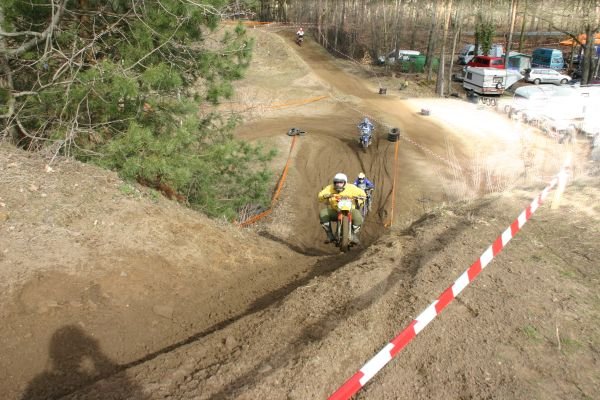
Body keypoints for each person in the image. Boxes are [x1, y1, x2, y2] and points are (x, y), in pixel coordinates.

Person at [317, 173, 366, 244]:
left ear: (345, 182)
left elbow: (362, 194)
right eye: (336, 182)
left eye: (341, 182)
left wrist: (360, 198)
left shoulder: (351, 187)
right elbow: (320, 195)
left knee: (358, 216)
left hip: (350, 210)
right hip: (335, 211)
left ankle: (353, 234)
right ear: (334, 183)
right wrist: (325, 195)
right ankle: (329, 235)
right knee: (323, 213)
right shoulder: (330, 188)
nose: (338, 184)